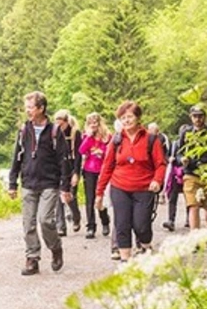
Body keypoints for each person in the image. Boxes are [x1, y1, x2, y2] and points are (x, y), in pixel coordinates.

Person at [7, 91, 72, 276]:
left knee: (45, 220)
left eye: (30, 107)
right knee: (28, 224)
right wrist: (12, 182)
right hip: (28, 182)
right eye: (26, 107)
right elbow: (16, 157)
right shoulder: (24, 130)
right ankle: (32, 258)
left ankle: (55, 247)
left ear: (41, 108)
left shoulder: (54, 131)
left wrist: (65, 186)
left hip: (49, 183)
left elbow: (63, 160)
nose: (27, 110)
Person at [96, 101, 165, 263]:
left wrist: (157, 180)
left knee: (141, 225)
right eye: (123, 118)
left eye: (129, 117)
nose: (126, 121)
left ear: (138, 118)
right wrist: (99, 193)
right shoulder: (117, 140)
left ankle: (146, 246)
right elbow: (107, 166)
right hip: (120, 187)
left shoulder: (151, 139)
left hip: (144, 188)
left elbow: (161, 163)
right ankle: (125, 260)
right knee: (122, 224)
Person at [178, 104, 207, 229]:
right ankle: (195, 236)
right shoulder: (185, 133)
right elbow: (178, 152)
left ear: (205, 117)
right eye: (195, 116)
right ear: (191, 117)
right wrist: (182, 159)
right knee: (193, 205)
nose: (198, 119)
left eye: (200, 116)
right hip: (191, 173)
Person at [76, 112, 112, 239]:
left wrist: (101, 152)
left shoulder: (107, 136)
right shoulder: (87, 136)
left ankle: (105, 220)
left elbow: (110, 153)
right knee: (89, 198)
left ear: (99, 123)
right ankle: (91, 226)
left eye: (95, 123)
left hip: (102, 170)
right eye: (90, 123)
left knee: (100, 197)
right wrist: (88, 136)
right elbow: (81, 150)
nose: (93, 126)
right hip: (89, 170)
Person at [53, 110, 82, 236]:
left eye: (61, 124)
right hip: (59, 168)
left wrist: (76, 172)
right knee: (58, 196)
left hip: (71, 166)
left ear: (66, 122)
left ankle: (76, 217)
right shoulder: (54, 134)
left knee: (70, 196)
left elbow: (79, 155)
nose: (59, 127)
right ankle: (61, 226)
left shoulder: (75, 133)